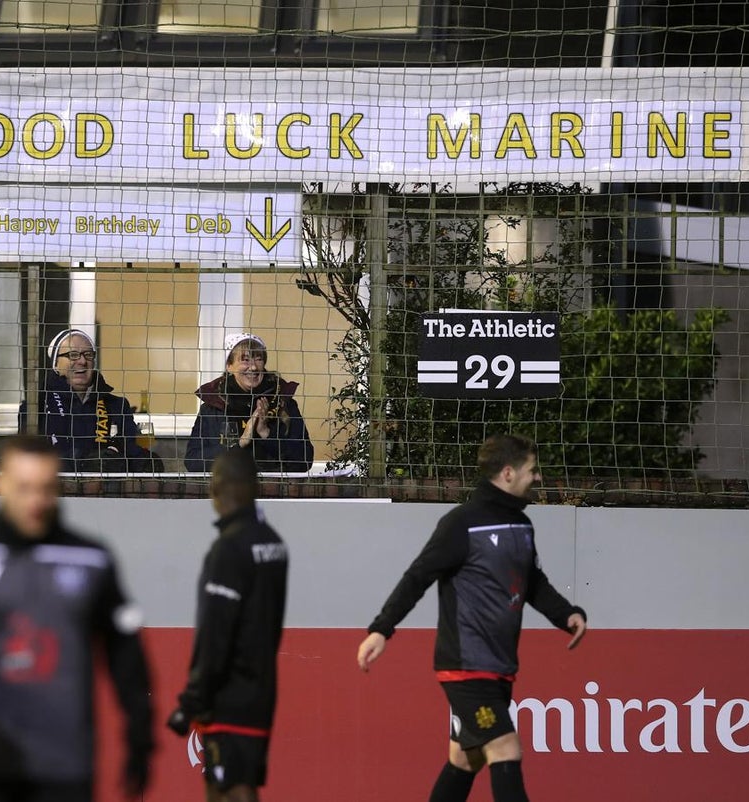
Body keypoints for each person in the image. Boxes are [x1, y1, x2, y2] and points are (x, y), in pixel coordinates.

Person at [0, 434, 154, 802]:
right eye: (23, 488)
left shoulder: (90, 559)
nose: (35, 501)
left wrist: (140, 733)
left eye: (45, 489)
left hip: (63, 765)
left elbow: (125, 651)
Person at [356, 434, 588, 802]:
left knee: (466, 758)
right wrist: (381, 629)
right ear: (508, 473)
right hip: (465, 669)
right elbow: (418, 576)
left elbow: (532, 582)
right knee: (505, 748)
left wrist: (566, 614)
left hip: (499, 666)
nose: (537, 477)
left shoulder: (521, 525)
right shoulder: (462, 523)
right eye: (532, 470)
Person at [166, 449, 289, 802]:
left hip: (227, 696)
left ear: (216, 488)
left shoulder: (228, 550)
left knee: (231, 790)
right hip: (261, 690)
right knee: (230, 784)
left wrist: (192, 700)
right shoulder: (273, 543)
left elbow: (215, 633)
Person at [19, 329, 164, 473]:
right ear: (55, 364)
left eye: (88, 355)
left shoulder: (116, 405)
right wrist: (86, 464)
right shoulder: (36, 405)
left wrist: (145, 462)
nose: (82, 361)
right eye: (73, 355)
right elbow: (31, 459)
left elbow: (131, 450)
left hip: (107, 486)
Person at [184, 333, 314, 473]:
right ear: (229, 366)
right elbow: (193, 462)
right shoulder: (214, 406)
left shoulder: (284, 403)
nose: (253, 367)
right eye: (245, 360)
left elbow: (304, 460)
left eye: (258, 359)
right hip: (230, 484)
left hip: (274, 485)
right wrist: (240, 442)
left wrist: (267, 434)